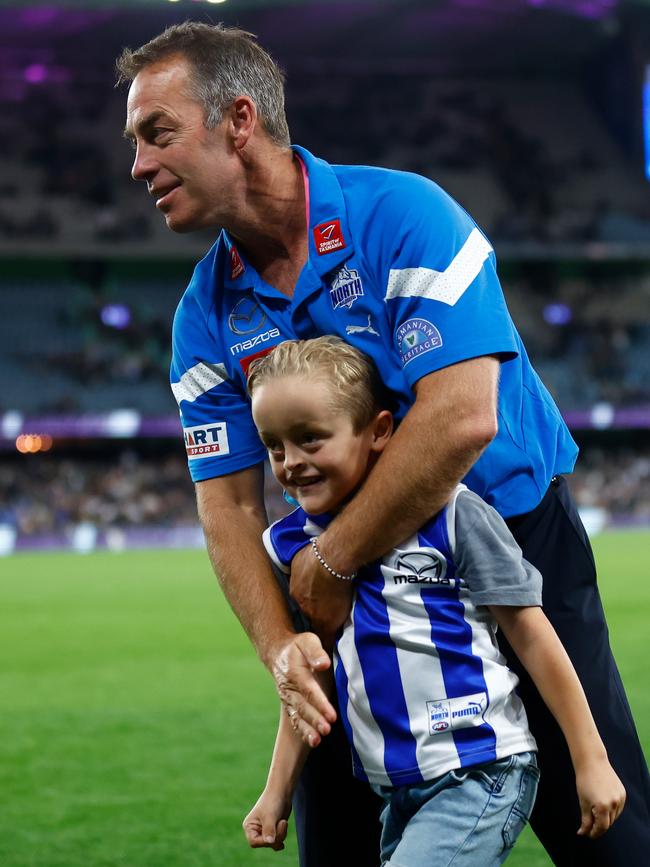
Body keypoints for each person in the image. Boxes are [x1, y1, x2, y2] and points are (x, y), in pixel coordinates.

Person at [117, 21, 650, 866]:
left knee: (611, 839)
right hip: (346, 606)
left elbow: (462, 416)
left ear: (239, 121)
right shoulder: (202, 318)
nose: (138, 164)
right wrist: (282, 647)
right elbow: (224, 501)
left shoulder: (404, 218)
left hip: (510, 557)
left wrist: (329, 561)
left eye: (157, 132)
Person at [242, 335, 625, 864]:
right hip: (398, 793)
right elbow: (310, 681)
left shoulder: (454, 514)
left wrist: (592, 758)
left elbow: (534, 638)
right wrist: (276, 791)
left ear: (378, 431)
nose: (290, 462)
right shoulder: (295, 551)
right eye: (274, 445)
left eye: (310, 439)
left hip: (480, 768)